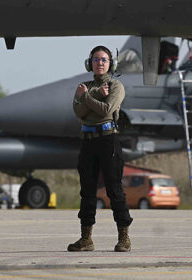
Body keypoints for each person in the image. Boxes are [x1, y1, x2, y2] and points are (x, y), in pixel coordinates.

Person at [68, 45, 132, 253]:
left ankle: (124, 238)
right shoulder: (86, 86)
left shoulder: (115, 86)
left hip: (108, 141)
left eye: (104, 59)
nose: (100, 63)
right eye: (96, 59)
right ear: (90, 63)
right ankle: (86, 239)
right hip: (87, 141)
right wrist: (94, 94)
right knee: (87, 190)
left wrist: (86, 97)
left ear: (110, 63)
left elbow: (106, 110)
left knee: (114, 189)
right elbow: (78, 112)